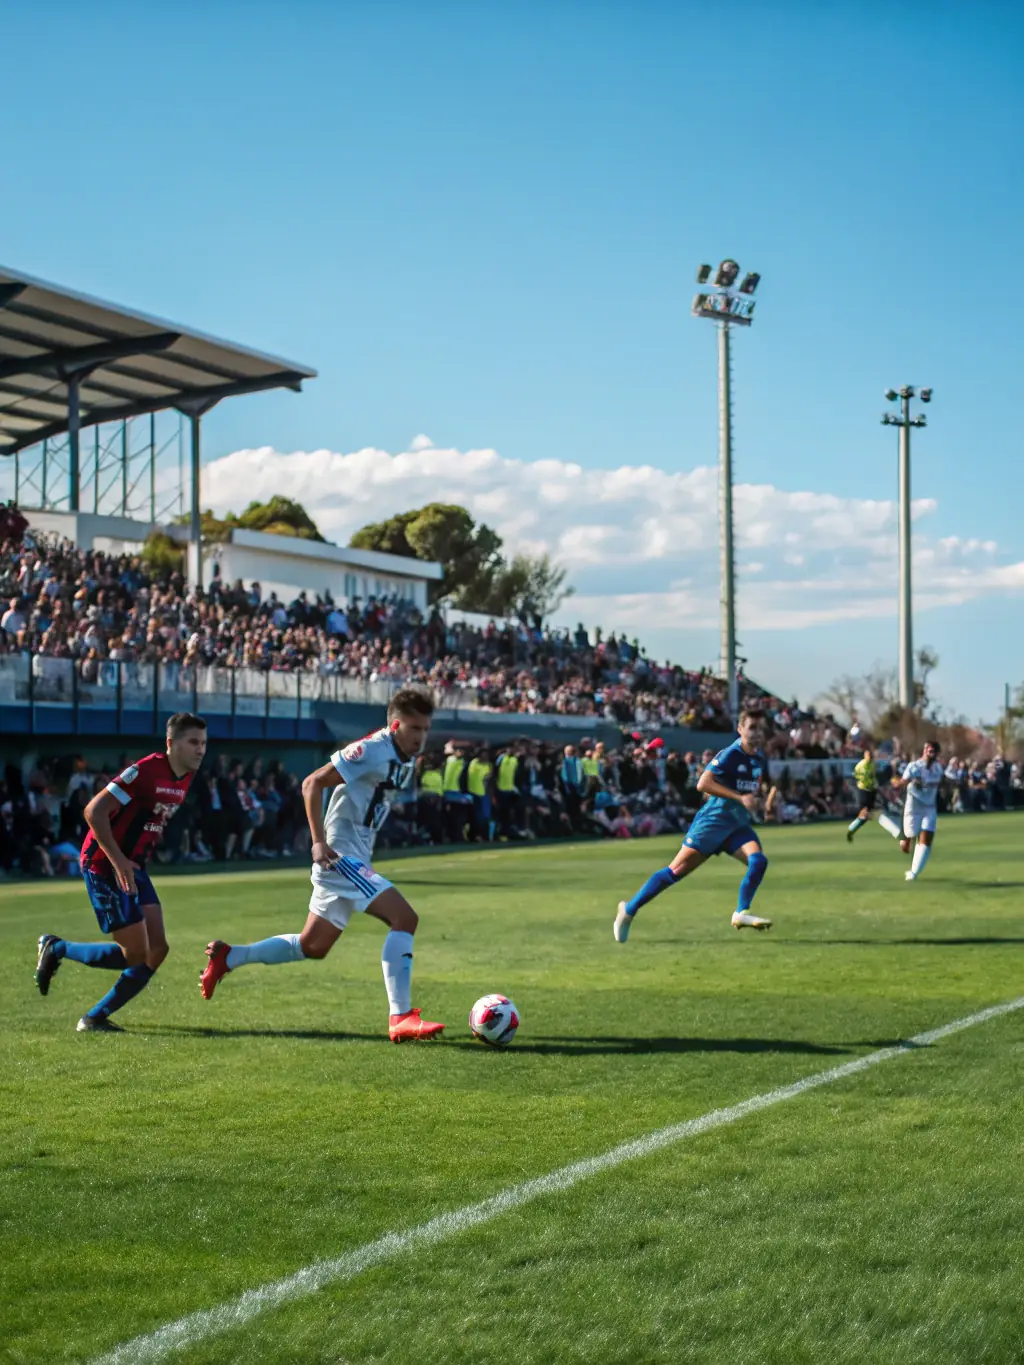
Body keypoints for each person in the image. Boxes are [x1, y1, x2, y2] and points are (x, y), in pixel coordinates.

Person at [199, 687, 445, 1042]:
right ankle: (401, 1017)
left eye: (425, 729)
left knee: (313, 945)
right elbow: (311, 783)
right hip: (340, 855)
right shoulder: (371, 750)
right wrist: (318, 842)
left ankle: (230, 957)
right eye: (414, 728)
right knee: (405, 918)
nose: (421, 737)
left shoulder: (401, 756)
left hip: (355, 853)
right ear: (394, 726)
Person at [33, 713, 208, 1032]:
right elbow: (93, 811)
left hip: (133, 866)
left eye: (204, 743)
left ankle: (95, 1017)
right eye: (193, 742)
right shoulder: (144, 771)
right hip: (104, 864)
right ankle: (57, 948)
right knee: (135, 954)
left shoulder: (187, 775)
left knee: (157, 950)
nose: (201, 750)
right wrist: (118, 860)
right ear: (171, 744)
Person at [613, 710, 777, 941]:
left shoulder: (758, 760)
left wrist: (757, 802)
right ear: (740, 729)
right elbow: (704, 783)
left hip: (737, 826)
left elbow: (749, 791)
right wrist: (740, 798)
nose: (756, 733)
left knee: (758, 861)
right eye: (751, 727)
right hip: (713, 822)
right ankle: (629, 910)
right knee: (675, 871)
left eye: (760, 728)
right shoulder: (731, 753)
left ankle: (741, 912)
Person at [888, 739, 944, 881]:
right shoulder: (914, 767)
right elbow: (903, 782)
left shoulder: (938, 768)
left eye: (931, 751)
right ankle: (904, 838)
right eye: (926, 750)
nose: (927, 753)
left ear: (936, 753)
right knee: (908, 842)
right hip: (914, 806)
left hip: (929, 807)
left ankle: (913, 872)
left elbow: (942, 783)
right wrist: (896, 781)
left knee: (926, 839)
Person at [845, 746, 902, 842]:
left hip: (871, 790)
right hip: (864, 791)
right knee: (870, 813)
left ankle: (851, 829)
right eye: (868, 754)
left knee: (866, 816)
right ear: (864, 755)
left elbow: (873, 775)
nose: (870, 756)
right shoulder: (861, 765)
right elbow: (855, 775)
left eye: (871, 755)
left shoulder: (872, 764)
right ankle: (897, 832)